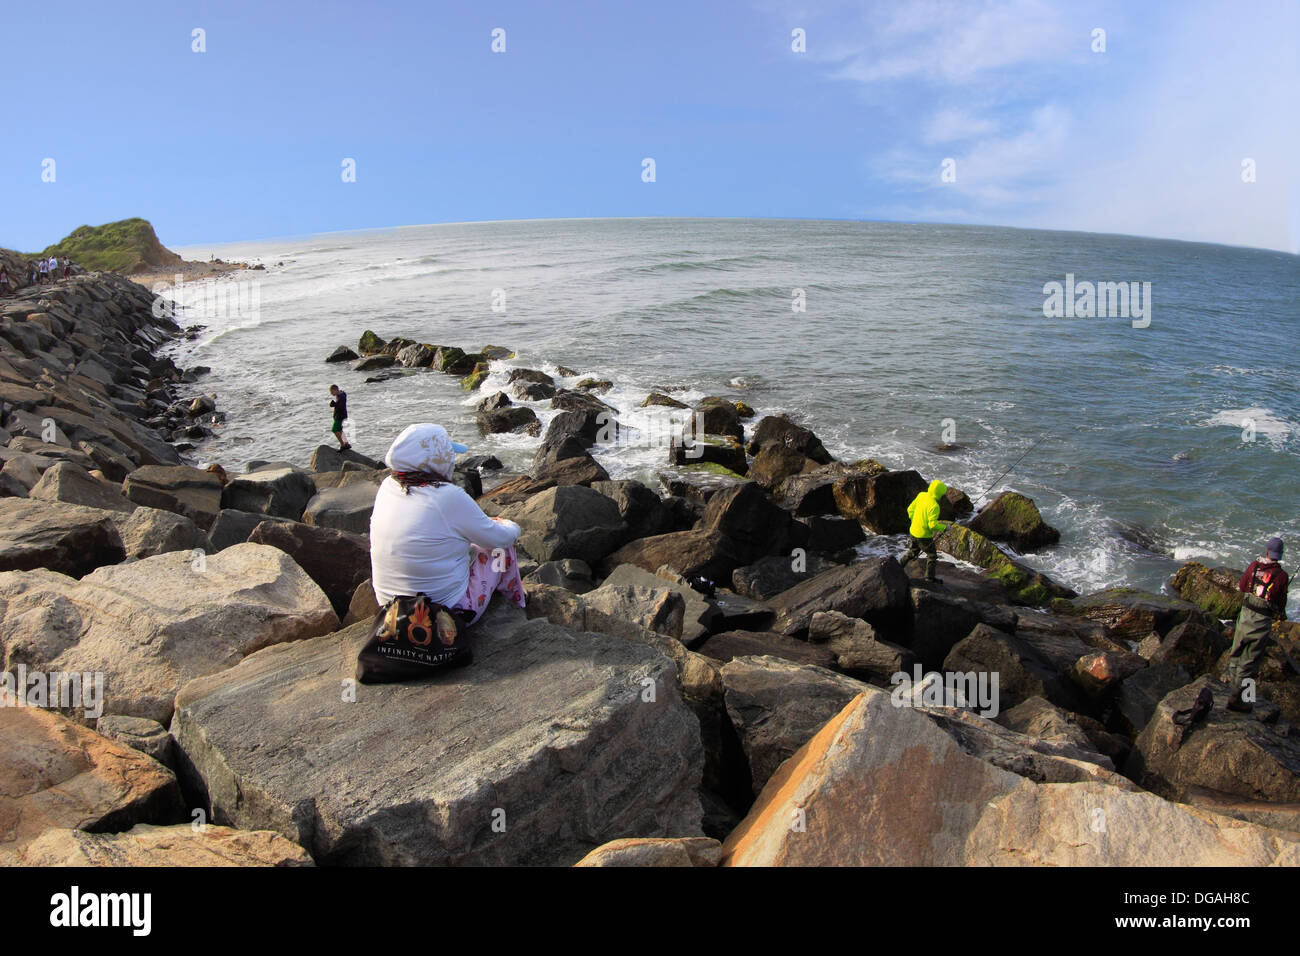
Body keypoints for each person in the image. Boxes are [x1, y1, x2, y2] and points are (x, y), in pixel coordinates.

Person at [369, 423, 526, 625]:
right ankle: (517, 603)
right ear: (436, 460)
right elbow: (501, 538)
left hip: (389, 608)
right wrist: (511, 525)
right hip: (443, 615)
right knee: (501, 549)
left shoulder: (387, 487)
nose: (453, 462)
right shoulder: (447, 497)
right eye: (449, 454)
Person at [1225, 537, 1289, 712]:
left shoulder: (1253, 566)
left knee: (1235, 655)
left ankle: (1233, 691)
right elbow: (1280, 603)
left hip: (1244, 617)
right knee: (1251, 663)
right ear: (1279, 555)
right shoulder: (1282, 576)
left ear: (1267, 551)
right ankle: (1243, 700)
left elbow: (1243, 586)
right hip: (1261, 623)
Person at [898, 479, 949, 583]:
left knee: (912, 552)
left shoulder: (922, 495)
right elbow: (932, 525)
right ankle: (929, 578)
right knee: (932, 555)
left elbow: (910, 509)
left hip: (913, 531)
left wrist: (915, 521)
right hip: (924, 536)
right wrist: (945, 527)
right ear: (939, 493)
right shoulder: (935, 506)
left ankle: (898, 566)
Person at [328, 384, 350, 449]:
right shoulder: (340, 394)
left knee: (334, 430)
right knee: (340, 430)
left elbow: (341, 406)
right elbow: (339, 403)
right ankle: (346, 443)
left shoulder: (341, 396)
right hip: (342, 415)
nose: (331, 394)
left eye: (332, 392)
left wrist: (334, 404)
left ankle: (342, 445)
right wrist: (335, 403)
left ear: (335, 390)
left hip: (340, 416)